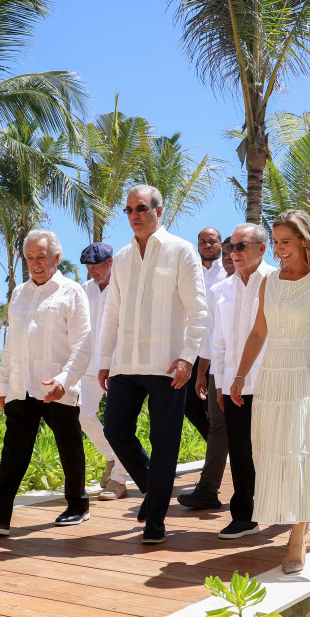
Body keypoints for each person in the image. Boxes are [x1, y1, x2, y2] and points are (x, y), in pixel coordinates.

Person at [229, 210, 310, 574]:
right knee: (274, 450)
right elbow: (259, 332)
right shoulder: (269, 281)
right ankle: (291, 516)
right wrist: (240, 375)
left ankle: (298, 536)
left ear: (304, 240)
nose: (279, 248)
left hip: (306, 372)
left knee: (302, 449)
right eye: (276, 241)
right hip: (272, 372)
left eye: (286, 241)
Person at [97, 185, 208, 545]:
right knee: (115, 430)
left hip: (167, 366)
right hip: (126, 363)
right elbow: (112, 313)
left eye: (142, 208)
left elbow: (199, 311)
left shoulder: (181, 250)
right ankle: (154, 488)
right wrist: (105, 360)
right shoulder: (123, 258)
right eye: (129, 210)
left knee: (165, 443)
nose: (135, 215)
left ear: (159, 211)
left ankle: (155, 521)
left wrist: (188, 357)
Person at [0, 230, 92, 536]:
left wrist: (64, 381)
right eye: (30, 257)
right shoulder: (19, 293)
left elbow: (83, 344)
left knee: (69, 446)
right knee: (13, 452)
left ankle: (78, 505)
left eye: (41, 257)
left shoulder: (72, 292)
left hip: (56, 387)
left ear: (56, 258)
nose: (35, 263)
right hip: (21, 386)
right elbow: (12, 343)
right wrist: (4, 386)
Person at [206, 223, 274, 538]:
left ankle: (288, 509)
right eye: (231, 246)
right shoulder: (220, 291)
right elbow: (218, 343)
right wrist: (220, 385)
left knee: (276, 451)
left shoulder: (278, 282)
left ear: (262, 248)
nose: (234, 252)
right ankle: (244, 516)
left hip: (273, 382)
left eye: (241, 246)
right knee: (241, 451)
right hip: (235, 387)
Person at [178, 226, 230, 508]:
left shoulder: (229, 272)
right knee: (189, 405)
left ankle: (219, 453)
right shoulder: (191, 272)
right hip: (195, 350)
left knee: (225, 419)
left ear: (220, 244)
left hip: (223, 352)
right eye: (202, 241)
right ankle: (218, 448)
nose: (207, 245)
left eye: (212, 241)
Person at [78, 242, 129, 500]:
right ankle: (111, 456)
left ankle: (118, 480)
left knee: (117, 423)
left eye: (96, 267)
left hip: (118, 365)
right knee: (84, 415)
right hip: (89, 366)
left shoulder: (124, 288)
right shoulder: (83, 290)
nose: (93, 272)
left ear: (111, 263)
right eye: (89, 268)